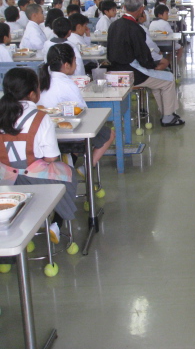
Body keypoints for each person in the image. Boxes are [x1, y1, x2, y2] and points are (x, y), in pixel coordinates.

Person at [0, 67, 78, 235]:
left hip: (4, 180)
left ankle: (20, 231)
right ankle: (56, 224)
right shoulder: (40, 117)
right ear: (32, 93)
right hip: (35, 178)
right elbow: (51, 158)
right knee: (69, 174)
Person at [107, 0, 185, 127]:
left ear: (124, 7)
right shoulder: (136, 28)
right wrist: (155, 65)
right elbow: (143, 56)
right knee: (168, 79)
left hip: (115, 71)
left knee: (159, 79)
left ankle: (166, 112)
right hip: (132, 74)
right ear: (141, 9)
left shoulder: (114, 25)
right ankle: (168, 117)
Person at [38, 44, 115, 174]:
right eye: (75, 60)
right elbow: (83, 111)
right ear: (67, 65)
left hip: (43, 134)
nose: (76, 64)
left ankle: (68, 160)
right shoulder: (67, 84)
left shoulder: (41, 80)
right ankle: (87, 168)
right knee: (108, 134)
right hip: (64, 134)